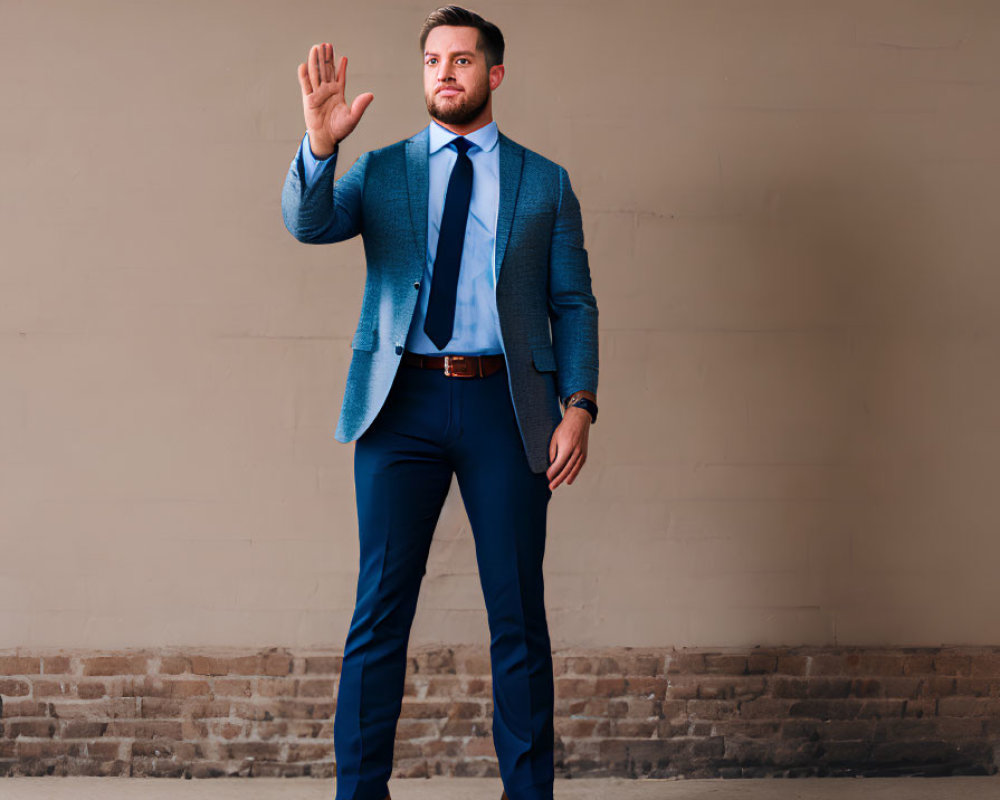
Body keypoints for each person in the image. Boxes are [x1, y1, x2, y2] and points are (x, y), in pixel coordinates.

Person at [280, 6, 599, 800]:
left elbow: (575, 303)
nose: (445, 72)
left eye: (461, 60)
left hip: (507, 406)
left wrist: (580, 405)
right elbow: (308, 224)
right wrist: (322, 143)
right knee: (379, 611)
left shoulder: (545, 181)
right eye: (432, 60)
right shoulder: (385, 169)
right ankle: (360, 794)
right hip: (400, 405)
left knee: (519, 616)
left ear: (493, 75)